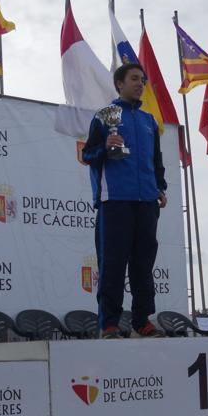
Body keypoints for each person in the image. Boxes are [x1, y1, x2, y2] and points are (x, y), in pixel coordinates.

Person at [82, 63, 168, 339]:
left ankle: (142, 321)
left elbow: (156, 161)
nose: (140, 83)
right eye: (134, 79)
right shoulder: (104, 116)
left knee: (143, 264)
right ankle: (109, 323)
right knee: (113, 264)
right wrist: (106, 148)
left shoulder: (148, 121)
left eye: (142, 79)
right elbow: (88, 154)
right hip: (115, 200)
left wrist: (160, 187)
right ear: (119, 83)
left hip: (146, 202)